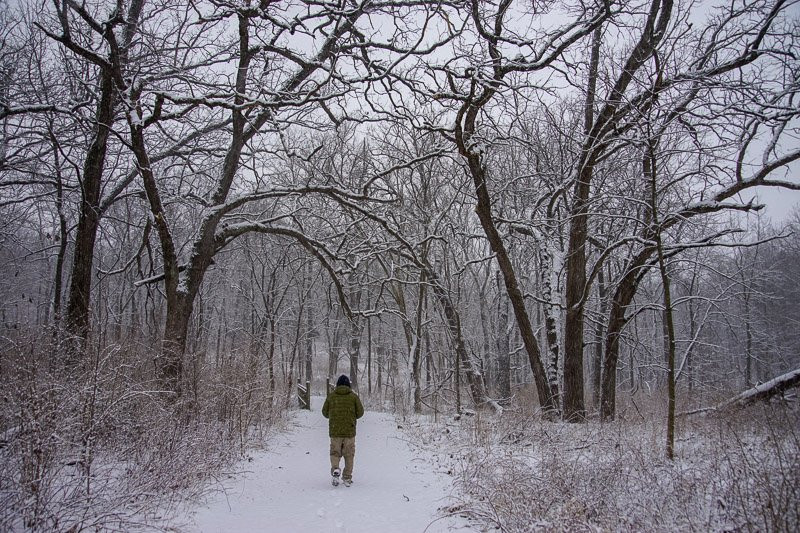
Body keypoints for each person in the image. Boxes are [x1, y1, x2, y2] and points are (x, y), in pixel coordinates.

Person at [322, 374, 364, 487]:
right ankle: (347, 477)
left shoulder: (331, 396)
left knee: (335, 453)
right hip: (349, 431)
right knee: (349, 454)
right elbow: (360, 413)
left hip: (335, 431)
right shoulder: (353, 397)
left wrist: (334, 414)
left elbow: (324, 413)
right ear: (348, 385)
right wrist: (351, 415)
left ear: (337, 385)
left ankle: (335, 469)